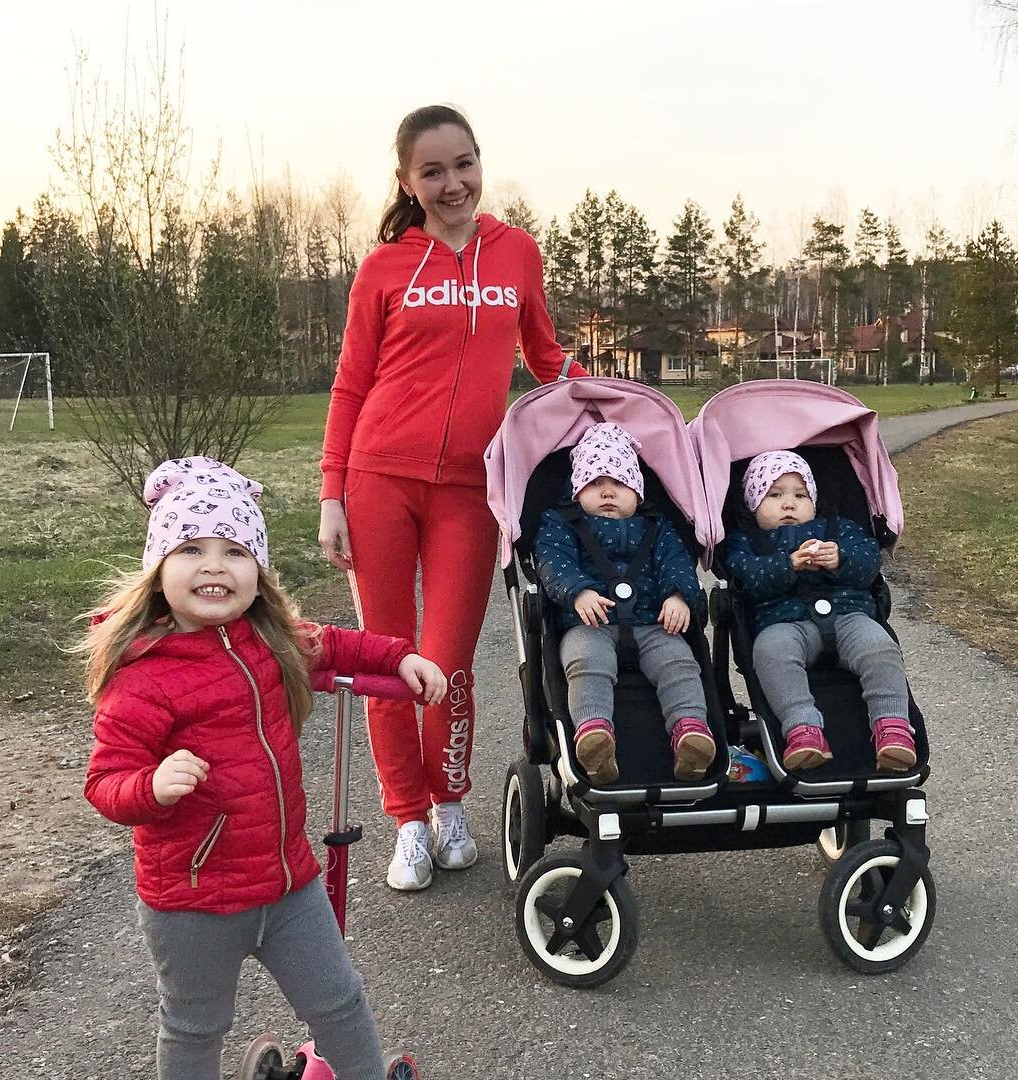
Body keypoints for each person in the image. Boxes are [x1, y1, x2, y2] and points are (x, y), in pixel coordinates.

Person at [80, 456, 447, 1080]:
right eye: (191, 550)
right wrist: (152, 786)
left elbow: (334, 642)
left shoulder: (268, 639)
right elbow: (104, 783)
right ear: (159, 570)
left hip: (287, 883)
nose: (214, 566)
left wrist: (399, 657)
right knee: (194, 1026)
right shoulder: (144, 677)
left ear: (258, 572)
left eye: (235, 551)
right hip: (193, 899)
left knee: (339, 1001)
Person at [317, 104, 588, 891]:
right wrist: (332, 493)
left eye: (463, 164)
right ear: (407, 182)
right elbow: (351, 383)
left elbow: (545, 356)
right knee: (388, 656)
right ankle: (407, 819)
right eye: (432, 171)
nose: (452, 183)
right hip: (378, 478)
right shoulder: (384, 268)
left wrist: (611, 405)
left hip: (471, 489)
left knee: (448, 663)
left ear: (479, 163)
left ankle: (449, 803)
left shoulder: (517, 254)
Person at [533, 422, 715, 783]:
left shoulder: (657, 526)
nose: (607, 492)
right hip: (589, 623)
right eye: (594, 483)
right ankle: (594, 734)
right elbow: (552, 562)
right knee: (587, 662)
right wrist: (578, 591)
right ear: (577, 491)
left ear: (637, 491)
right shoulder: (561, 523)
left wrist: (678, 595)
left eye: (619, 483)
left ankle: (691, 729)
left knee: (679, 663)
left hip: (653, 622)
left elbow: (677, 563)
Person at [725, 450, 916, 772]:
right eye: (774, 495)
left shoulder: (840, 529)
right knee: (771, 654)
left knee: (881, 649)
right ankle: (802, 729)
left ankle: (893, 726)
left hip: (849, 617)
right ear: (752, 504)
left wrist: (841, 559)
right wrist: (786, 565)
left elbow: (870, 563)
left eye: (800, 495)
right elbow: (746, 578)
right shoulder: (746, 542)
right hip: (783, 623)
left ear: (814, 501)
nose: (789, 504)